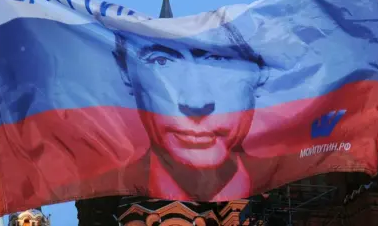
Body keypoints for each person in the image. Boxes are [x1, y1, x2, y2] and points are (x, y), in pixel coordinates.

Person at [112, 22, 269, 201]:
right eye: (161, 61)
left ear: (260, 73)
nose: (196, 102)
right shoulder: (104, 188)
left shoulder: (291, 184)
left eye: (218, 60)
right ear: (125, 72)